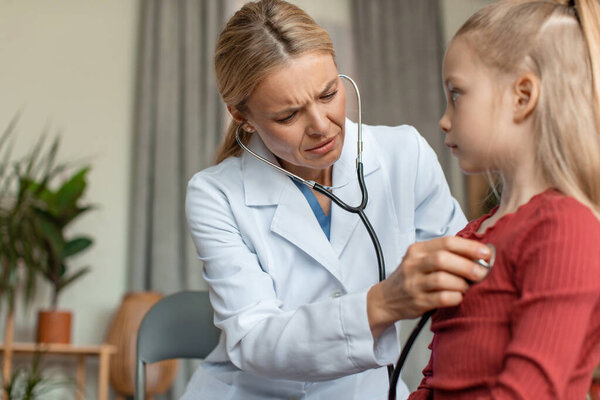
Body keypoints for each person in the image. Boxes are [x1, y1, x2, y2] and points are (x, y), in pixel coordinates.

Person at [182, 1, 492, 399]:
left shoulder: (404, 156)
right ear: (242, 116)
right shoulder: (215, 194)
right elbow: (253, 339)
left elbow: (469, 289)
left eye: (329, 93)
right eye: (288, 115)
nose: (321, 125)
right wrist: (383, 302)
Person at [408, 0, 600, 398]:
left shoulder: (566, 228)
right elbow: (436, 379)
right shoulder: (473, 234)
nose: (444, 119)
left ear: (522, 96)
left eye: (456, 94)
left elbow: (529, 391)